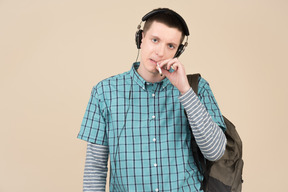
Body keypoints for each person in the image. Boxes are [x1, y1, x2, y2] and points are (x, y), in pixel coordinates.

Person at [77, 8, 227, 192]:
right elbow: (95, 168)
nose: (160, 52)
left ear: (178, 51)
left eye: (170, 46)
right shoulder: (104, 92)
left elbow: (215, 151)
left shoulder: (197, 88)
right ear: (141, 39)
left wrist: (185, 91)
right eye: (155, 40)